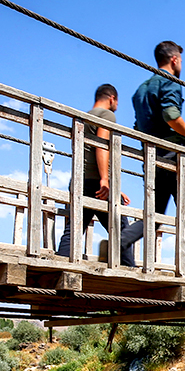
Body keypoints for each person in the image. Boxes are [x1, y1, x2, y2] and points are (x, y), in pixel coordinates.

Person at [125, 41, 185, 275]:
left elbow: (138, 126)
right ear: (175, 59)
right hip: (175, 156)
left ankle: (119, 242)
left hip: (152, 158)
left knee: (154, 215)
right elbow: (171, 114)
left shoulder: (140, 90)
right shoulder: (170, 81)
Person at [57, 83, 135, 266]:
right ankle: (129, 271)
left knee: (74, 229)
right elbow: (100, 145)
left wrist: (116, 188)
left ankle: (59, 266)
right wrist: (105, 180)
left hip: (79, 181)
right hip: (97, 183)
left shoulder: (83, 119)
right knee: (122, 230)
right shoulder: (107, 115)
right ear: (112, 98)